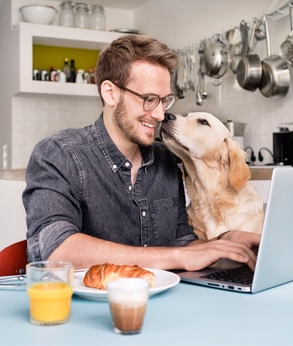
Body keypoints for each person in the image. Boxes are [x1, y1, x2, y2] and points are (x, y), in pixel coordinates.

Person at [22, 35, 260, 271]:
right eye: (149, 99)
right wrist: (175, 257)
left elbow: (181, 241)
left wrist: (223, 242)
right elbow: (55, 250)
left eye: (164, 101)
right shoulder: (58, 155)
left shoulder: (166, 159)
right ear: (110, 93)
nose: (159, 115)